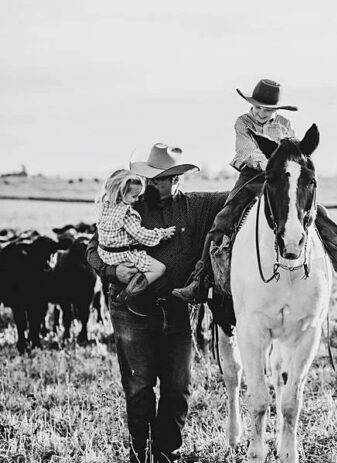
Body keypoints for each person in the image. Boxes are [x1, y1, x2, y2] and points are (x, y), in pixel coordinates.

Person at [86, 144, 228, 463]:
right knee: (139, 386)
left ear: (180, 177)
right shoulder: (129, 205)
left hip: (176, 309)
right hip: (131, 312)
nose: (166, 184)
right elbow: (93, 248)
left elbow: (238, 196)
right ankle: (143, 453)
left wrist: (263, 168)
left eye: (173, 177)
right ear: (147, 178)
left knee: (178, 387)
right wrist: (112, 270)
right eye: (159, 178)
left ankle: (166, 451)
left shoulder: (199, 206)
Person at [172, 79, 337, 302]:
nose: (261, 113)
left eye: (267, 110)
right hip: (252, 176)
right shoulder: (243, 122)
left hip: (281, 179)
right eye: (258, 107)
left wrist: (286, 167)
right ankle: (201, 279)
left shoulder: (285, 124)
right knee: (224, 218)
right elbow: (247, 151)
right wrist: (271, 163)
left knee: (319, 214)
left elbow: (296, 153)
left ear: (276, 110)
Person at [96, 169, 175, 302]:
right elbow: (140, 235)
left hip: (106, 253)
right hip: (122, 255)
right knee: (159, 269)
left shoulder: (106, 206)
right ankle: (126, 294)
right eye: (134, 196)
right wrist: (161, 233)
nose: (137, 199)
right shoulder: (126, 213)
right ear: (121, 193)